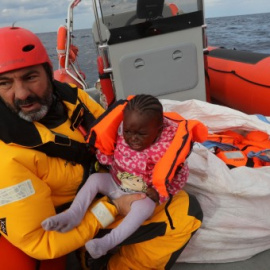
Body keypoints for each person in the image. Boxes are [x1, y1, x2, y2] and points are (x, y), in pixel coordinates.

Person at [0, 26, 205, 270]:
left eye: (30, 77)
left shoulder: (73, 99)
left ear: (47, 72)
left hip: (114, 183)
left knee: (183, 202)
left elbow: (111, 135)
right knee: (186, 214)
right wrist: (113, 207)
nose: (22, 93)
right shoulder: (7, 161)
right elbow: (39, 241)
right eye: (5, 83)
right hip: (77, 221)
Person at [42, 94, 190, 259]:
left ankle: (106, 243)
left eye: (141, 134)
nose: (133, 138)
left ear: (159, 129)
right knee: (95, 179)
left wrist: (161, 194)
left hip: (139, 194)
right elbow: (110, 151)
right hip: (115, 182)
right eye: (128, 131)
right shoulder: (121, 132)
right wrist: (103, 157)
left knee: (146, 207)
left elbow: (180, 175)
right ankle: (74, 214)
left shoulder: (166, 148)